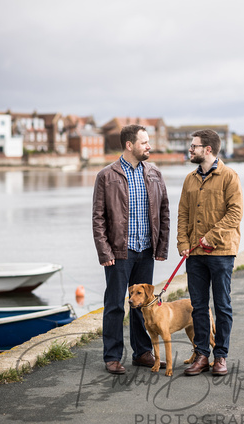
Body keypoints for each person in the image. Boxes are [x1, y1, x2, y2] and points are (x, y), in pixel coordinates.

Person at [92, 124, 170, 374]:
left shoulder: (154, 173)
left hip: (146, 250)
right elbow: (98, 218)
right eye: (144, 142)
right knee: (115, 304)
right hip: (119, 253)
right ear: (129, 145)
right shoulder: (107, 175)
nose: (149, 146)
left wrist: (161, 247)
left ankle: (142, 352)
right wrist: (105, 252)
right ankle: (112, 357)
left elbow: (164, 212)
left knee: (144, 304)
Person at [177, 129, 243, 376]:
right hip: (194, 254)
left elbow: (235, 213)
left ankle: (221, 356)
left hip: (222, 252)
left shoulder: (229, 176)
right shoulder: (189, 179)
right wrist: (183, 242)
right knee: (198, 306)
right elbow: (183, 213)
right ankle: (202, 355)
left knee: (222, 305)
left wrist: (210, 237)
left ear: (208, 150)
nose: (190, 149)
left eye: (194, 146)